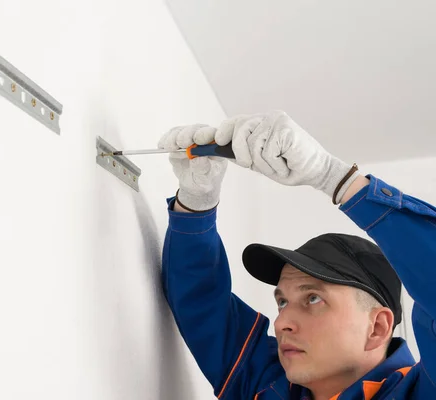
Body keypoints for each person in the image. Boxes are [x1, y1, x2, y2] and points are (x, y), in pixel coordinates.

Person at [158, 110, 436, 399]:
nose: (281, 323)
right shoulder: (266, 383)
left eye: (313, 298)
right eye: (281, 301)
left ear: (377, 327)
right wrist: (195, 203)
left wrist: (335, 178)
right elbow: (201, 300)